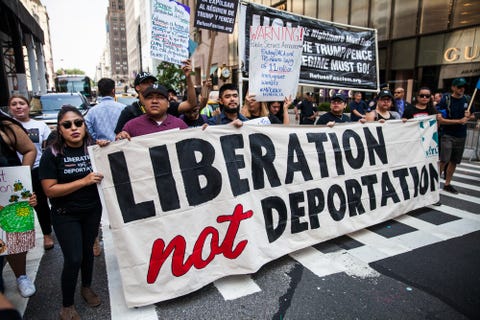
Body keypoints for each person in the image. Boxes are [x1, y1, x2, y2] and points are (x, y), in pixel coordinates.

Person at [39, 106, 104, 319]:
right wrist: (83, 181)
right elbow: (50, 190)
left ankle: (86, 287)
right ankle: (67, 304)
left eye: (78, 123)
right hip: (65, 213)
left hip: (92, 211)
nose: (74, 128)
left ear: (85, 126)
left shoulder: (94, 148)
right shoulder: (52, 154)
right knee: (74, 258)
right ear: (60, 129)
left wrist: (114, 142)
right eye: (67, 125)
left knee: (87, 254)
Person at [8, 95, 54, 251]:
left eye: (22, 103)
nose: (18, 106)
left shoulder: (40, 125)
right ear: (9, 108)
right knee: (18, 205)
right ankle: (19, 240)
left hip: (36, 169)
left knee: (40, 203)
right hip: (12, 173)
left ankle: (47, 234)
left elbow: (50, 147)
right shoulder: (6, 127)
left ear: (28, 106)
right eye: (14, 104)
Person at [0, 112, 37, 298]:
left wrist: (21, 178)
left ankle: (21, 276)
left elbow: (30, 149)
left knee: (13, 236)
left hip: (8, 190)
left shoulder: (6, 126)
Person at [114, 59, 196, 134]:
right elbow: (119, 140)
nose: (155, 101)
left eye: (152, 82)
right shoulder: (129, 113)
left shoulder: (174, 117)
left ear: (167, 104)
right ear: (137, 87)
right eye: (146, 82)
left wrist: (188, 77)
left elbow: (191, 104)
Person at [436, 77, 475, 194]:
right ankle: (434, 184)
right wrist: (458, 121)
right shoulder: (445, 99)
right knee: (444, 160)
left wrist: (469, 116)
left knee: (454, 161)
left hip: (461, 135)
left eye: (463, 87)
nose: (462, 89)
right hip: (447, 134)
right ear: (453, 87)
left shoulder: (468, 99)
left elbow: (473, 116)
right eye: (459, 87)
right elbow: (441, 120)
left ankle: (447, 184)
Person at [116, 84, 188, 139]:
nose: (154, 101)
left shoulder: (180, 125)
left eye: (160, 98)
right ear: (143, 103)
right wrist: (119, 139)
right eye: (150, 98)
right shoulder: (130, 127)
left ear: (168, 103)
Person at [85, 78, 125, 142]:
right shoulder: (124, 108)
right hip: (122, 146)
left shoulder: (92, 112)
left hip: (101, 149)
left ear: (99, 91)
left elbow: (87, 129)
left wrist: (97, 140)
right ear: (113, 90)